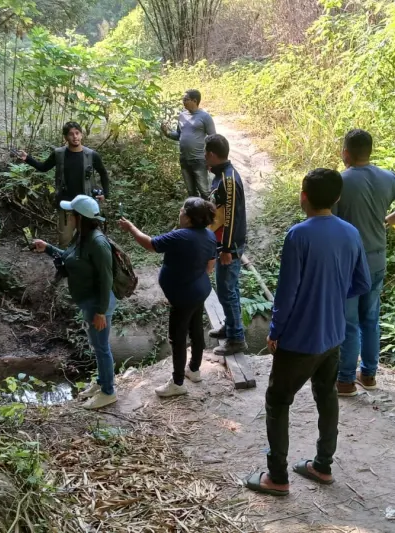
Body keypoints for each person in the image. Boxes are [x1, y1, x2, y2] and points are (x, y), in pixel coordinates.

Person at [244, 168, 371, 497]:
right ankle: (323, 465)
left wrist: (275, 331)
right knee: (326, 395)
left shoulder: (298, 235)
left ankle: (277, 477)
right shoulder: (351, 233)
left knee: (277, 400)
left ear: (303, 196)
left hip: (300, 339)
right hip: (334, 335)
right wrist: (331, 294)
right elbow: (362, 282)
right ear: (337, 197)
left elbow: (286, 294)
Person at [334, 129, 395, 396]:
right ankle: (369, 375)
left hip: (349, 262)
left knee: (349, 322)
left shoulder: (339, 182)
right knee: (371, 318)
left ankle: (345, 380)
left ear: (346, 153)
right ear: (369, 151)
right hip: (376, 260)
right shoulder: (388, 177)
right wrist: (387, 221)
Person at [118, 198, 218, 398]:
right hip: (200, 291)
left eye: (182, 210)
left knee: (178, 338)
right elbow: (210, 266)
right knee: (196, 330)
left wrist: (130, 228)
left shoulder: (181, 236)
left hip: (184, 297)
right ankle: (194, 370)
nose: (179, 212)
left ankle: (178, 383)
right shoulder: (209, 235)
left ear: (188, 218)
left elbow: (150, 244)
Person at [31, 195, 117, 410]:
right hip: (88, 302)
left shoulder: (98, 243)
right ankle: (101, 382)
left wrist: (101, 311)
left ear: (80, 218)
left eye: (71, 214)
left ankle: (108, 392)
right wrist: (47, 248)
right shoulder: (81, 236)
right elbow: (69, 258)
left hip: (98, 304)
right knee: (97, 346)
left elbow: (106, 278)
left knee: (102, 348)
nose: (68, 217)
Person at [17, 121, 110, 247]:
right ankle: (66, 259)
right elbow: (43, 167)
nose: (75, 137)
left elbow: (103, 173)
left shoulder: (91, 155)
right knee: (65, 241)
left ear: (81, 135)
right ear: (65, 137)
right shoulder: (58, 154)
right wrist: (27, 158)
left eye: (77, 133)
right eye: (71, 134)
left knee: (88, 241)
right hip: (66, 203)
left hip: (86, 204)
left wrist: (105, 194)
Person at [205, 134, 248, 356]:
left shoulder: (227, 180)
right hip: (223, 243)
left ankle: (236, 338)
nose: (204, 157)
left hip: (228, 245)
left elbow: (230, 217)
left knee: (227, 290)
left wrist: (226, 249)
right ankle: (231, 327)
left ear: (212, 154)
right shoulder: (222, 176)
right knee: (228, 288)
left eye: (206, 153)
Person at [161, 89, 217, 198]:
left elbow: (213, 138)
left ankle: (209, 209)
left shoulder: (205, 117)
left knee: (205, 192)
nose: (183, 102)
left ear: (194, 101)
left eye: (186, 99)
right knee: (191, 192)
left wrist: (210, 160)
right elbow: (178, 135)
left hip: (199, 160)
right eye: (183, 99)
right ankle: (195, 209)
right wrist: (167, 133)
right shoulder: (182, 116)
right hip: (184, 159)